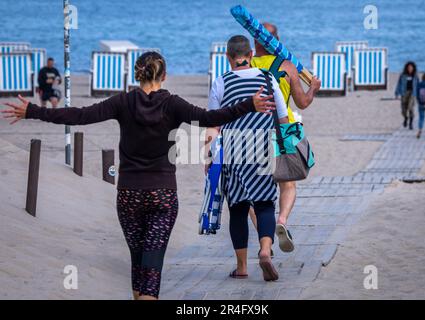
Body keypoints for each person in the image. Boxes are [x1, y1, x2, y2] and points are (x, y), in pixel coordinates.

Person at [1, 51, 276, 299]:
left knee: (138, 267)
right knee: (151, 275)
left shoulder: (123, 101)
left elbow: (80, 115)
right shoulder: (173, 104)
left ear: (137, 73)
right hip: (162, 197)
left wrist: (33, 111)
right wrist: (249, 105)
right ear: (164, 76)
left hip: (128, 196)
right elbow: (210, 116)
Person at [206, 35, 289, 281]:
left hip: (233, 152)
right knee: (264, 204)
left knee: (239, 209)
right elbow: (282, 119)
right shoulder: (268, 78)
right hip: (263, 149)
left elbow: (213, 125)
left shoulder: (221, 82)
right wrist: (284, 149)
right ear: (251, 55)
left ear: (228, 57)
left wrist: (209, 157)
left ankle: (242, 267)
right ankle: (265, 251)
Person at [249, 22, 321, 253]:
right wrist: (314, 88)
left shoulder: (246, 65)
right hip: (283, 129)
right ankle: (281, 221)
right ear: (277, 42)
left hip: (252, 130)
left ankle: (264, 236)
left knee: (251, 193)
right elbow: (303, 103)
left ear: (255, 42)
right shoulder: (287, 66)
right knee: (287, 184)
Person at [395, 61, 419, 130]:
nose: (410, 69)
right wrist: (397, 93)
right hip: (404, 93)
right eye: (408, 68)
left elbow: (418, 85)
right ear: (406, 68)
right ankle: (406, 118)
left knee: (410, 107)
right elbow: (398, 84)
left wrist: (418, 95)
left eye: (411, 68)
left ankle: (411, 123)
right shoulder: (402, 75)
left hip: (412, 93)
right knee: (403, 109)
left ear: (413, 68)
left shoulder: (415, 76)